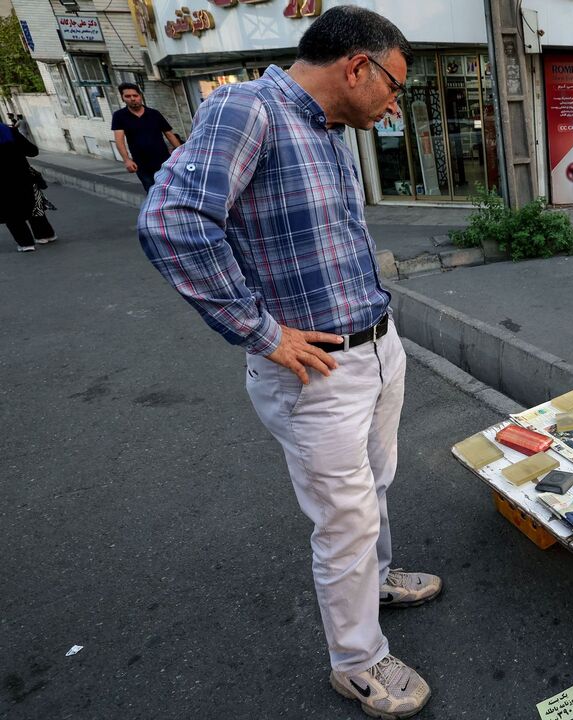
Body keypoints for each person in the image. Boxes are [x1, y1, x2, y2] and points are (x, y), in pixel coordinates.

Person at [136, 8, 435, 719]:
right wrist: (260, 332)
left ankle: (379, 580)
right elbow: (172, 220)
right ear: (356, 67)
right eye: (394, 86)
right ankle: (358, 663)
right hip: (315, 370)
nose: (396, 105)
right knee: (344, 520)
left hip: (375, 347)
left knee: (375, 487)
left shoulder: (328, 128)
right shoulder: (250, 107)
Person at [111, 83, 182, 192]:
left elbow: (169, 134)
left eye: (135, 95)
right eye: (128, 96)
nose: (132, 99)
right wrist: (127, 160)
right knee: (153, 193)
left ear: (140, 96)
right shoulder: (119, 116)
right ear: (122, 98)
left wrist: (181, 152)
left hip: (163, 161)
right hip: (142, 164)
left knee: (172, 190)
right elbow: (119, 140)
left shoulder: (154, 114)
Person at [0, 122, 56, 252]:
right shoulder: (10, 132)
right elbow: (33, 151)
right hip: (23, 178)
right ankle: (45, 235)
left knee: (11, 214)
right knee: (33, 207)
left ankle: (26, 244)